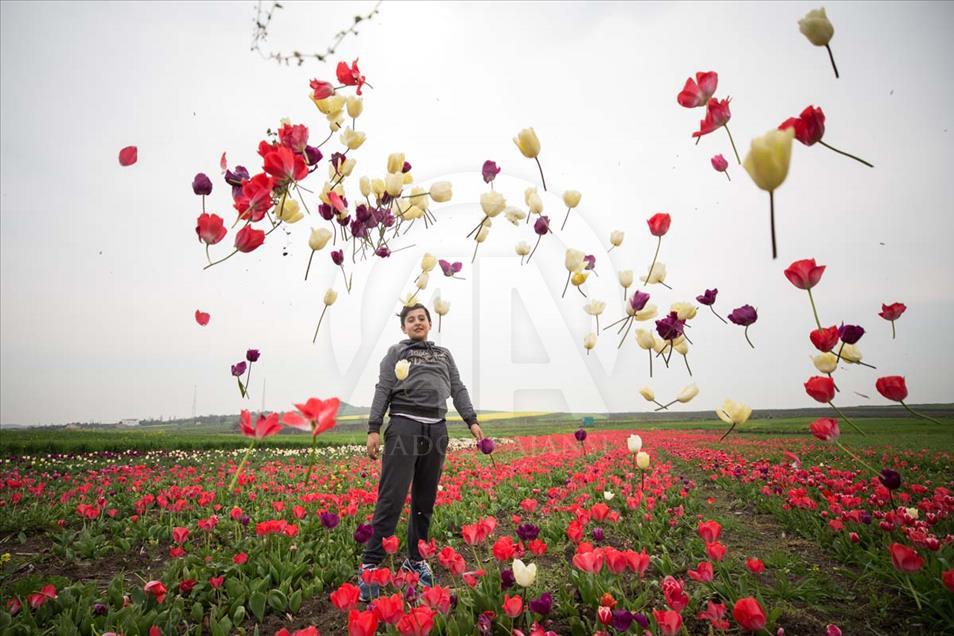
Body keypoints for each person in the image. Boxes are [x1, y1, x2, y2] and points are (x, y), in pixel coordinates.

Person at [357, 303, 484, 601]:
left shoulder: (444, 354)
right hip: (404, 426)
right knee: (392, 497)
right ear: (403, 327)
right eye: (411, 319)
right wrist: (374, 427)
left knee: (425, 499)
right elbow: (383, 388)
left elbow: (458, 389)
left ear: (429, 323)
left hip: (437, 429)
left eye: (422, 318)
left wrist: (472, 420)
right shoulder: (396, 352)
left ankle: (415, 560)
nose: (417, 322)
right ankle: (371, 566)